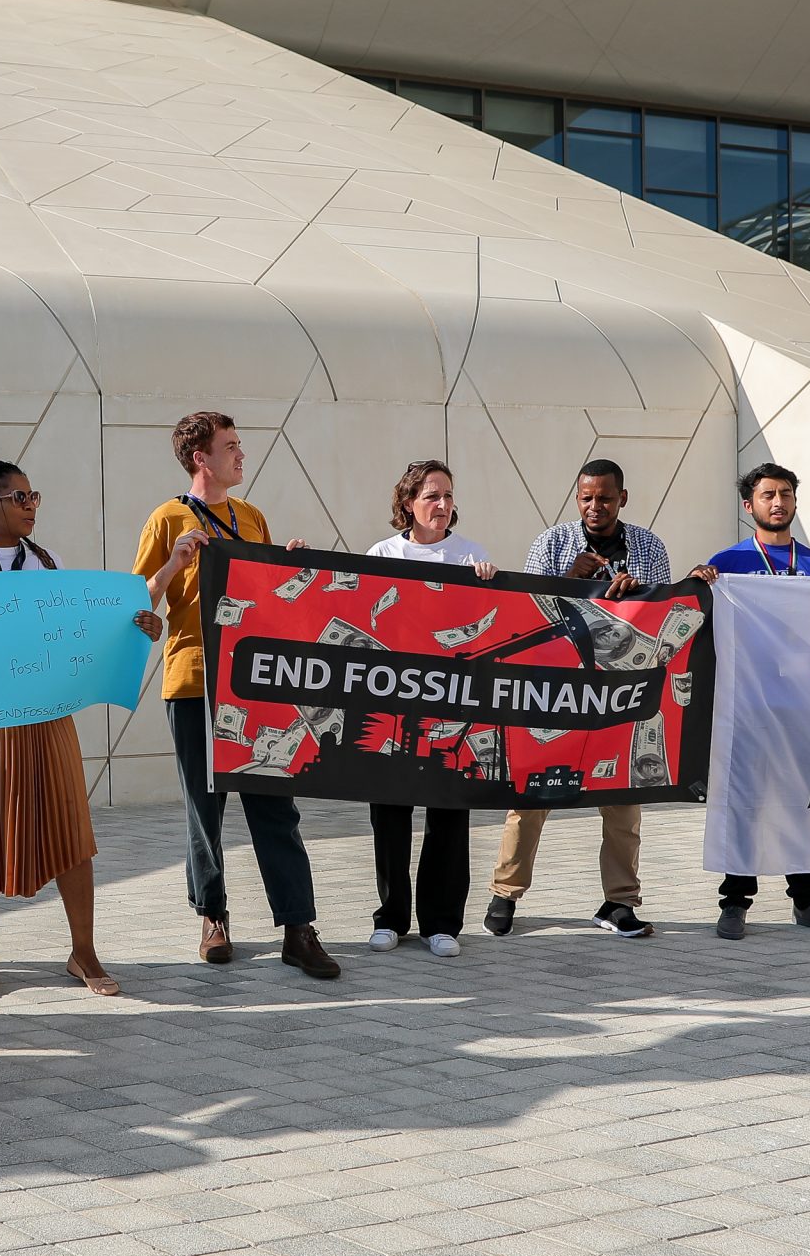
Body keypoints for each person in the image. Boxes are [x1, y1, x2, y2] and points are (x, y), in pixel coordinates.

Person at [0, 461, 162, 1000]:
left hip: (46, 709)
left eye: (34, 496)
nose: (31, 505)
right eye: (20, 497)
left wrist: (142, 628)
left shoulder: (49, 563)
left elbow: (86, 632)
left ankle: (82, 951)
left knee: (70, 827)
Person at [133, 412, 337, 979]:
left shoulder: (250, 518)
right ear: (201, 457)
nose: (241, 456)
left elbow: (272, 601)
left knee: (275, 806)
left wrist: (291, 568)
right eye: (231, 447)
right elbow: (137, 604)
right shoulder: (166, 519)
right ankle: (213, 916)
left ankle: (298, 927)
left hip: (255, 682)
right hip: (195, 680)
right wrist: (175, 561)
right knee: (206, 807)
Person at [492, 458, 717, 941]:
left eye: (606, 498)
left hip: (621, 695)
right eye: (587, 498)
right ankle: (505, 892)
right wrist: (571, 581)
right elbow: (529, 614)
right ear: (578, 498)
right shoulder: (551, 544)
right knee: (531, 795)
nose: (596, 506)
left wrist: (649, 593)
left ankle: (619, 902)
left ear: (623, 498)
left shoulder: (649, 548)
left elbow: (662, 619)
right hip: (560, 693)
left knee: (623, 800)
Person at [698, 464, 810, 940]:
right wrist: (697, 585)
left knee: (799, 801)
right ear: (749, 506)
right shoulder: (726, 563)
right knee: (745, 802)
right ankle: (734, 901)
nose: (778, 502)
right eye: (768, 495)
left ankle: (807, 901)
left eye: (785, 494)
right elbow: (701, 625)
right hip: (747, 703)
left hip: (803, 705)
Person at [361, 461, 495, 957]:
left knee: (448, 813)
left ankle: (441, 922)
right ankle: (391, 916)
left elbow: (487, 624)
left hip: (453, 707)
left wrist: (489, 585)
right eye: (432, 496)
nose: (442, 505)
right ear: (409, 503)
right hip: (394, 705)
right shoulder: (383, 553)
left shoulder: (471, 555)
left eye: (448, 496)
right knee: (391, 812)